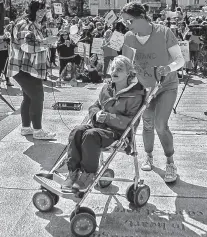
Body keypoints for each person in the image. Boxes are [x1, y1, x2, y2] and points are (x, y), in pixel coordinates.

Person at [121, 2, 185, 183]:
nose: (126, 25)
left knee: (160, 125)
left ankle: (170, 162)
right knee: (147, 124)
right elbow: (125, 63)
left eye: (129, 20)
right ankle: (148, 156)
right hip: (145, 88)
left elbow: (180, 59)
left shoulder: (164, 32)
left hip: (166, 86)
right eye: (124, 22)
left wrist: (169, 67)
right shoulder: (128, 37)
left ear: (141, 17)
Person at [61, 55, 146, 192]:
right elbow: (94, 106)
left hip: (119, 134)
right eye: (113, 68)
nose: (114, 72)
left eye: (119, 69)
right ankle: (73, 172)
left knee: (90, 135)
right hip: (100, 128)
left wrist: (107, 117)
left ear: (128, 73)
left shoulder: (135, 95)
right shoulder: (107, 88)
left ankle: (88, 175)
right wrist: (96, 113)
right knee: (77, 131)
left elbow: (130, 122)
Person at [8, 0, 56, 140]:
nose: (42, 12)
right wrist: (46, 42)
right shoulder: (25, 24)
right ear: (32, 9)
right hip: (24, 68)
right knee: (37, 97)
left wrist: (47, 42)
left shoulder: (34, 25)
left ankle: (26, 128)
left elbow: (35, 44)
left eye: (44, 9)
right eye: (39, 9)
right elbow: (27, 46)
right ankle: (38, 131)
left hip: (28, 68)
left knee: (29, 98)